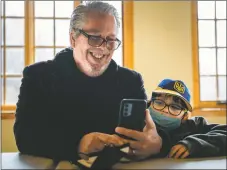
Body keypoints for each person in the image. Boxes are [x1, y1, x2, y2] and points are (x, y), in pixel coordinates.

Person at [14, 1, 167, 164]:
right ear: (73, 38)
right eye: (94, 38)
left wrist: (158, 143)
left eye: (111, 40)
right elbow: (25, 136)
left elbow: (155, 129)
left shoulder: (131, 81)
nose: (103, 48)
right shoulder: (39, 77)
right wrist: (79, 144)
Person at [148, 79, 227, 159]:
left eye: (175, 107)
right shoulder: (139, 124)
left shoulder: (194, 126)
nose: (165, 110)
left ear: (185, 116)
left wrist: (194, 143)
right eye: (159, 103)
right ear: (149, 104)